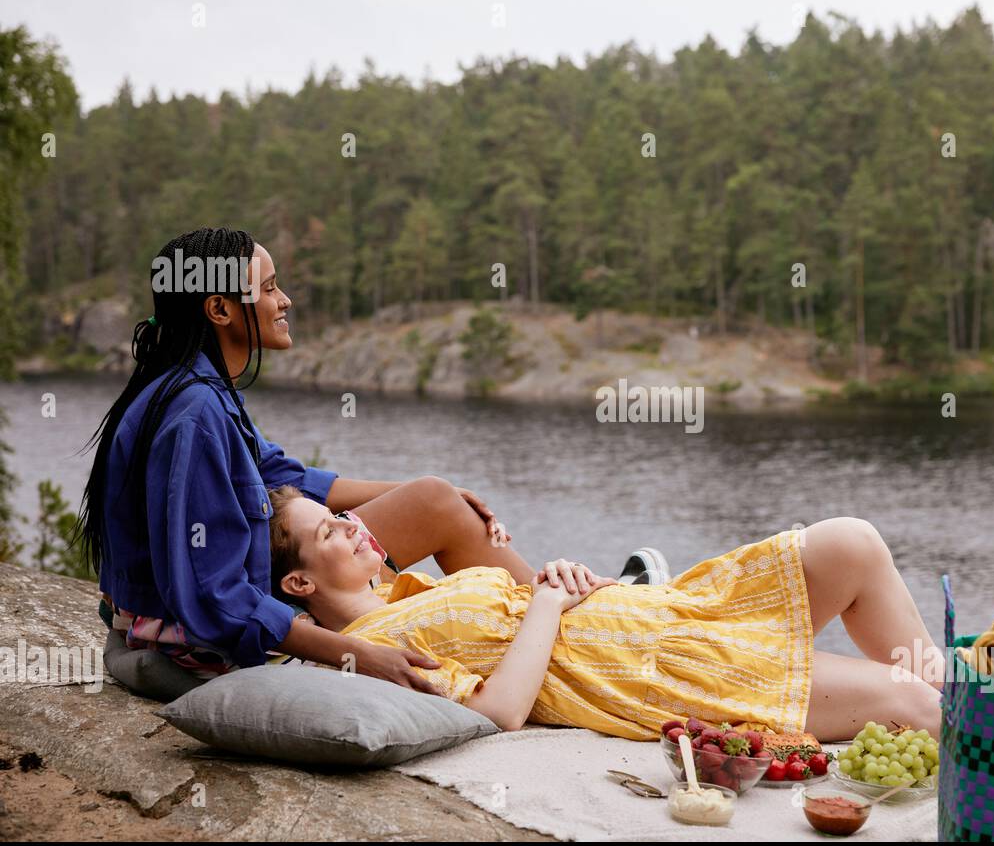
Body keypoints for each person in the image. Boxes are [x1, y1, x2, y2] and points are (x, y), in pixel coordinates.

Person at [77, 227, 665, 690]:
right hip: (193, 642)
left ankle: (573, 612)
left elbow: (283, 476)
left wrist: (425, 494)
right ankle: (582, 626)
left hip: (234, 593)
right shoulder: (192, 415)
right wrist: (361, 654)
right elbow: (214, 597)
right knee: (402, 569)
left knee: (435, 499)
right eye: (271, 288)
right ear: (220, 310)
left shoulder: (196, 387)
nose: (286, 301)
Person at [267, 485, 943, 743]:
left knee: (853, 541)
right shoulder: (374, 647)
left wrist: (559, 585)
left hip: (668, 607)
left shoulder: (403, 592)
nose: (353, 528)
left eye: (342, 518)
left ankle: (976, 706)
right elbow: (499, 710)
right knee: (911, 702)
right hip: (651, 670)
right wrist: (549, 600)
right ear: (298, 580)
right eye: (330, 532)